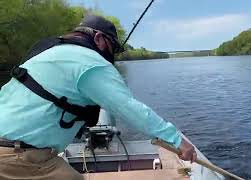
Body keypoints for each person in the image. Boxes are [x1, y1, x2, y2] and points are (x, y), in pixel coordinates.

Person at [0, 15, 197, 179]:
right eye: (113, 48)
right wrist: (176, 140)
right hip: (19, 156)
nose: (112, 55)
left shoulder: (50, 53)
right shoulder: (92, 63)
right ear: (99, 39)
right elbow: (129, 108)